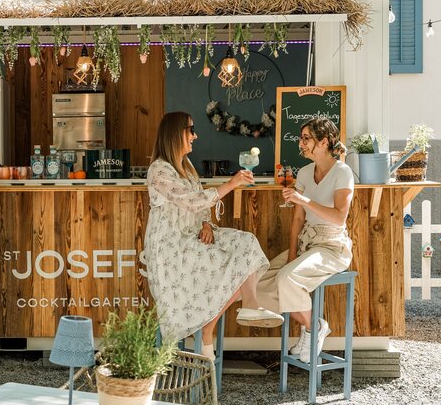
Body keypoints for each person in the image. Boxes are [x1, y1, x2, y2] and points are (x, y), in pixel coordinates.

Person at [144, 111, 283, 360]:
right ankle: (206, 329)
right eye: (191, 130)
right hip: (172, 248)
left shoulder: (187, 168)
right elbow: (191, 200)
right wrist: (230, 185)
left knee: (246, 243)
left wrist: (207, 224)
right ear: (176, 133)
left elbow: (200, 207)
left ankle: (249, 305)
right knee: (227, 264)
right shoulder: (159, 170)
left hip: (194, 236)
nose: (195, 136)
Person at [257, 118, 353, 364]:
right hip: (306, 242)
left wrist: (304, 200)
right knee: (259, 281)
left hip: (331, 246)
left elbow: (339, 217)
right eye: (301, 137)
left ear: (324, 142)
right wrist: (291, 255)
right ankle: (313, 325)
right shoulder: (304, 172)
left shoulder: (343, 172)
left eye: (306, 138)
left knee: (286, 278)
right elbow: (298, 220)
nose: (301, 143)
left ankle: (311, 330)